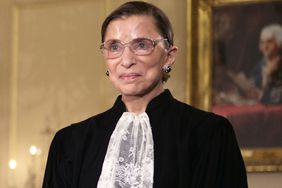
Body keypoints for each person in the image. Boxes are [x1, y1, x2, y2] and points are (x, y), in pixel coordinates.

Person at [43, 1, 248, 188]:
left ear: (169, 56)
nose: (126, 60)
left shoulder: (210, 134)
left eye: (141, 45)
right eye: (114, 47)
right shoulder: (69, 142)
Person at [248, 24, 282, 104]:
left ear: (279, 44)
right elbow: (252, 85)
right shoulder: (259, 65)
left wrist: (262, 96)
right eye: (262, 42)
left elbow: (278, 97)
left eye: (269, 42)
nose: (265, 46)